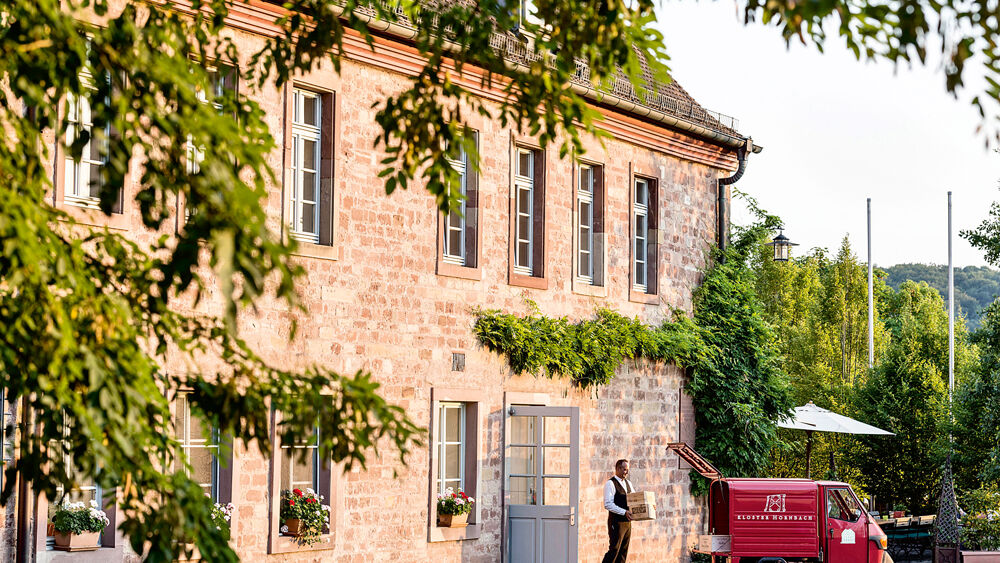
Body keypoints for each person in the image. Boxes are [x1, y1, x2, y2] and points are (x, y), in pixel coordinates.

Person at [602, 459, 634, 563]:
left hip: (627, 523)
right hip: (616, 522)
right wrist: (624, 512)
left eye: (627, 470)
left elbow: (635, 499)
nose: (626, 472)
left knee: (623, 552)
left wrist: (648, 506)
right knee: (614, 550)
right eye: (624, 469)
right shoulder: (610, 484)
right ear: (618, 469)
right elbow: (608, 504)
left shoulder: (628, 483)